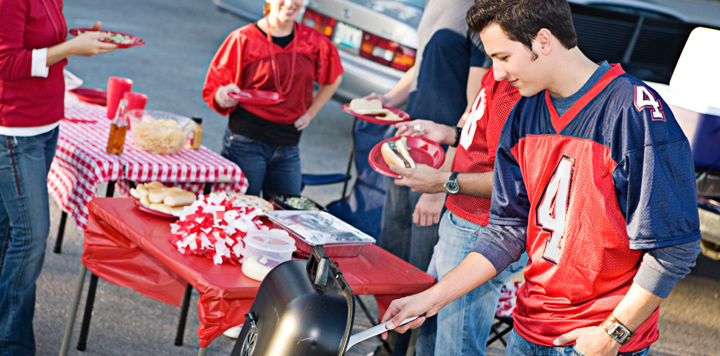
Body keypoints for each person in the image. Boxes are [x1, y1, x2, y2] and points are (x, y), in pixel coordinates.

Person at [382, 1, 701, 356]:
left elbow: (674, 249)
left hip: (594, 339)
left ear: (543, 41)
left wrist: (614, 333)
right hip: (528, 329)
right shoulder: (523, 110)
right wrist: (428, 300)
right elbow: (506, 230)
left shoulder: (632, 112)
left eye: (503, 57)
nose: (498, 73)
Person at [0, 0, 118, 353]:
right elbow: (5, 62)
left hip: (46, 123)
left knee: (8, 230)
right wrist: (70, 48)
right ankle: (13, 344)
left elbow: (36, 40)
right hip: (15, 130)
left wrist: (75, 37)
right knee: (31, 238)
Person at [388, 66, 529, 356]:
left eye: (501, 55)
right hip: (460, 218)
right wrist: (448, 133)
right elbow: (484, 137)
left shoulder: (520, 90)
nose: (496, 66)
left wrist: (443, 181)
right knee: (429, 333)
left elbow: (517, 181)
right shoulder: (501, 70)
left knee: (455, 346)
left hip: (479, 227)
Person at [202, 0, 343, 198]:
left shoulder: (313, 41)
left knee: (287, 213)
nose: (290, 3)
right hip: (246, 142)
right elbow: (214, 89)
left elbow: (334, 77)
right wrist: (223, 95)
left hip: (288, 145)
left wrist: (311, 113)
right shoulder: (243, 38)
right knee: (241, 211)